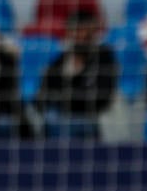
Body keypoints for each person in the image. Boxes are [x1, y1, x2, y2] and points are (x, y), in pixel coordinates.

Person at [36, 11, 116, 140]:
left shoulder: (104, 57)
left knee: (66, 124)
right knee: (51, 118)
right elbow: (41, 97)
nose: (79, 36)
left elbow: (101, 98)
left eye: (84, 32)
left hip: (91, 118)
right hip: (60, 116)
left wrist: (64, 97)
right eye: (75, 31)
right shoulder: (59, 62)